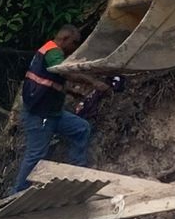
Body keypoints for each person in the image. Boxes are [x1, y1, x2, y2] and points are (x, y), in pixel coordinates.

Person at [12, 24, 108, 191]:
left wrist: (71, 92)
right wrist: (94, 82)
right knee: (35, 156)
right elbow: (63, 72)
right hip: (40, 115)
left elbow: (49, 79)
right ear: (64, 39)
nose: (75, 48)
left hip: (53, 113)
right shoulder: (53, 51)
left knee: (81, 129)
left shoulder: (48, 52)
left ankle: (77, 173)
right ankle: (17, 193)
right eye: (74, 43)